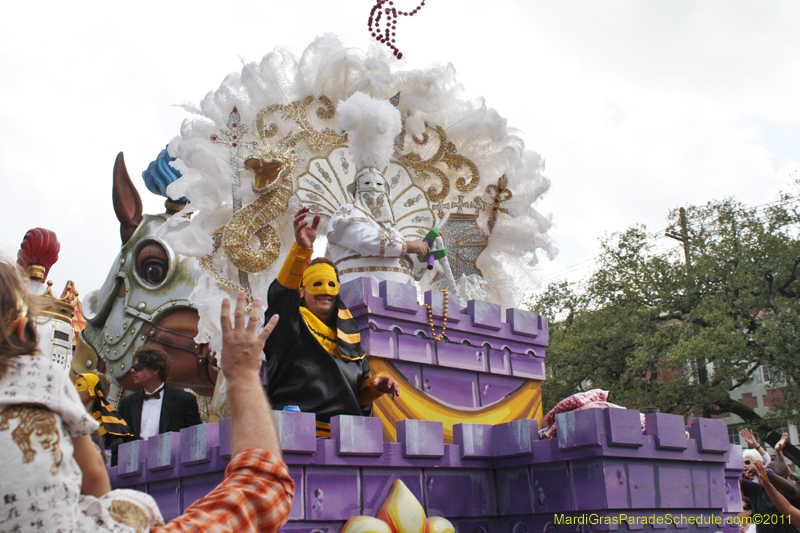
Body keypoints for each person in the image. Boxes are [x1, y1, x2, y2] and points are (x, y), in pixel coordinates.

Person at [0, 258, 163, 530]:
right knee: (139, 505)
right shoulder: (45, 376)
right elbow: (95, 475)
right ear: (20, 329)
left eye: (80, 386)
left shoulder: (112, 415)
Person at [264, 206, 399, 437]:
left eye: (331, 285)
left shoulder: (350, 338)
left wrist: (374, 386)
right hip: (297, 436)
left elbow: (355, 394)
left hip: (346, 439)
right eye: (316, 284)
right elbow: (280, 298)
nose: (325, 291)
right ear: (302, 291)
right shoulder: (289, 326)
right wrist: (301, 251)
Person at [118, 347, 203, 440]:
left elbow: (197, 437)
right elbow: (121, 439)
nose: (132, 371)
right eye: (133, 367)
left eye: (138, 367)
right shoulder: (126, 403)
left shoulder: (184, 400)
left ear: (155, 369)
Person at [74, 371, 133, 464]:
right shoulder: (66, 421)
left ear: (93, 392)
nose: (74, 389)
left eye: (79, 385)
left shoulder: (111, 428)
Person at [741, 459, 800, 533]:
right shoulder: (757, 490)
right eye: (764, 469)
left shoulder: (790, 491)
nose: (764, 472)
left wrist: (769, 474)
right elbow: (736, 479)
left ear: (783, 475)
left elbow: (791, 498)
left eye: (770, 470)